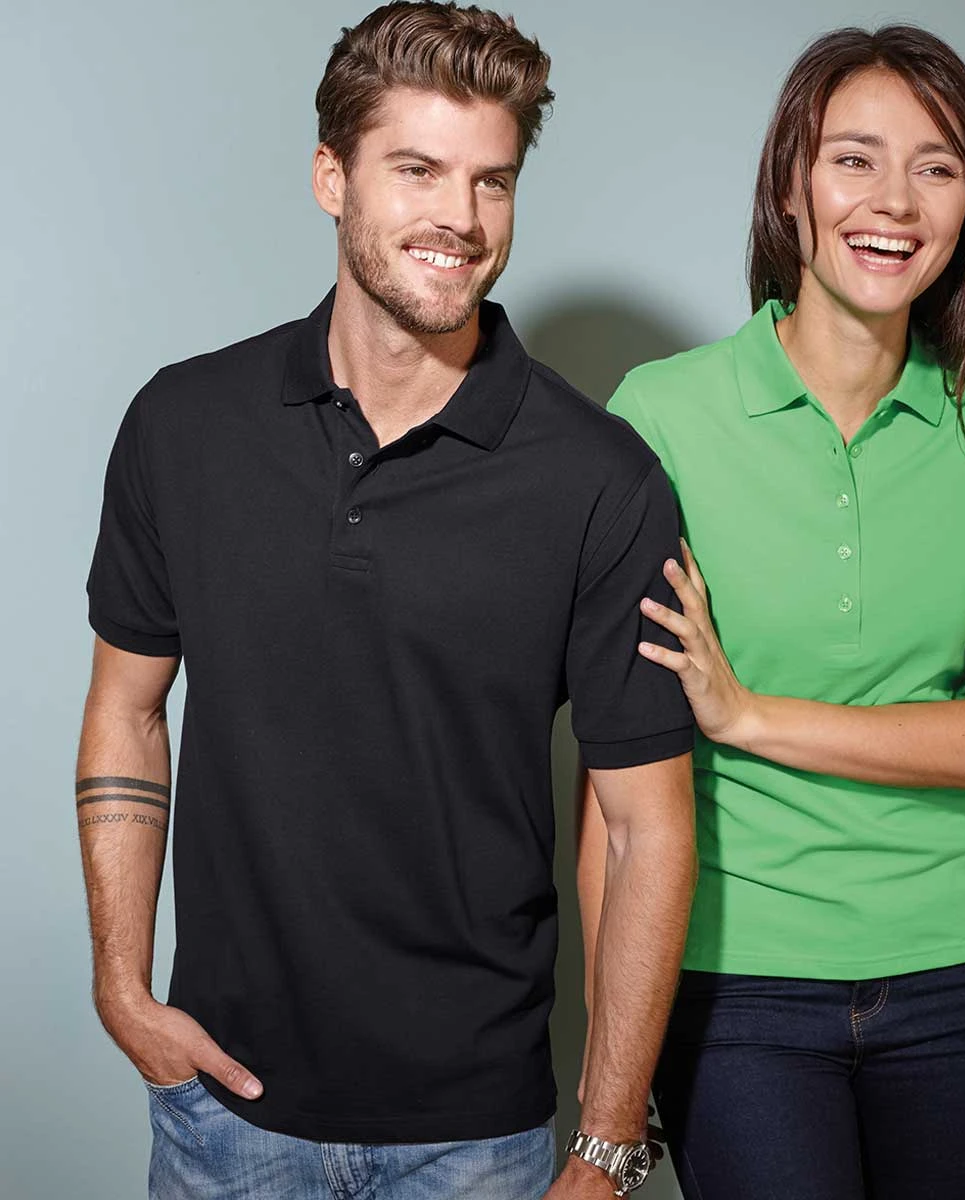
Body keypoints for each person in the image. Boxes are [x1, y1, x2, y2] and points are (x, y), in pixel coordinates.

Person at [76, 4, 696, 1198]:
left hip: (476, 1139)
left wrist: (608, 1144)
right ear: (332, 178)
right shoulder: (183, 425)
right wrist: (122, 987)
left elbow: (645, 830)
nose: (461, 217)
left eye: (492, 181)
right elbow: (127, 708)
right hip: (222, 1118)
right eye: (417, 170)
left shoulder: (601, 479)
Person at [578, 24, 965, 1200]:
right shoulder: (663, 415)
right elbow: (615, 794)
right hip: (735, 986)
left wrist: (748, 715)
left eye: (937, 167)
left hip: (964, 984)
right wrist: (613, 1084)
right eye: (854, 158)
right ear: (792, 188)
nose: (894, 201)